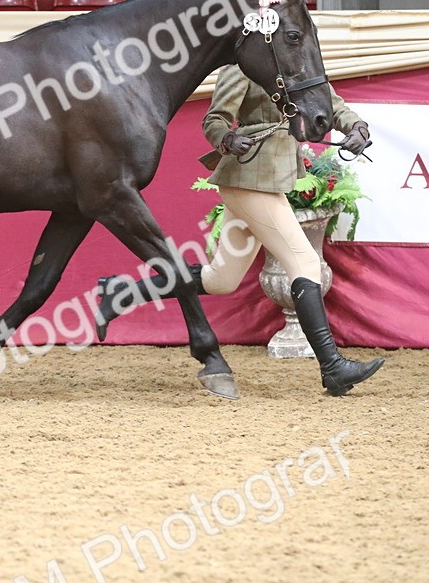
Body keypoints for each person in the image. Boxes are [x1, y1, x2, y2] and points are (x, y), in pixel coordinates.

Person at [95, 64, 384, 396]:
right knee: (305, 262)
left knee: (222, 278)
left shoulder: (301, 62)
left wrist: (357, 127)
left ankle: (120, 293)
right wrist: (227, 138)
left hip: (270, 181)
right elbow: (214, 119)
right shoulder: (245, 67)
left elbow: (330, 103)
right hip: (248, 178)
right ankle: (332, 367)